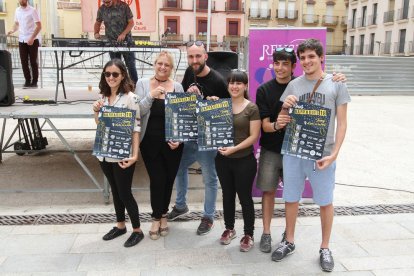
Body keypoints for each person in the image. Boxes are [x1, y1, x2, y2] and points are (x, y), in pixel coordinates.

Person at [256, 48, 347, 254]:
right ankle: (288, 240)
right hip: (293, 151)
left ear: (322, 58)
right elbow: (282, 118)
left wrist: (335, 154)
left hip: (322, 154)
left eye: (311, 57)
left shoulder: (336, 83)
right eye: (303, 57)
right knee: (290, 198)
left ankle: (325, 248)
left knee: (325, 201)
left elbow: (342, 124)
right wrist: (285, 107)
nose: (307, 61)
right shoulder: (293, 85)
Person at [167, 41, 230, 236]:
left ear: (205, 57)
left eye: (198, 56)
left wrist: (215, 103)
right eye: (191, 56)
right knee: (178, 168)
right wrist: (187, 95)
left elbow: (227, 112)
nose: (194, 60)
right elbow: (185, 103)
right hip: (190, 135)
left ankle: (208, 216)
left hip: (208, 138)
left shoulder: (219, 81)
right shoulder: (188, 72)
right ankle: (180, 205)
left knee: (209, 177)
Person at [92, 59, 144, 248]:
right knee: (115, 191)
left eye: (115, 74)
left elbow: (136, 128)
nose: (111, 77)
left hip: (123, 154)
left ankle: (137, 230)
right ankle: (120, 225)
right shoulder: (103, 98)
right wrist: (96, 112)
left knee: (124, 192)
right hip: (104, 152)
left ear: (122, 75)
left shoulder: (131, 98)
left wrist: (135, 155)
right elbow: (101, 126)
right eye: (107, 74)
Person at [136, 51, 184, 240]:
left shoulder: (178, 86)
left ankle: (164, 216)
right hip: (150, 142)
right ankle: (156, 217)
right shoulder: (142, 84)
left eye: (166, 65)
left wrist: (179, 139)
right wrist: (151, 96)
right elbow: (137, 110)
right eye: (159, 63)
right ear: (154, 65)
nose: (162, 67)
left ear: (171, 69)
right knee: (157, 180)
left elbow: (183, 116)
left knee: (168, 180)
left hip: (173, 143)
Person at [214, 70, 260, 252]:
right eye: (232, 82)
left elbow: (254, 136)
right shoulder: (221, 106)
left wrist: (234, 148)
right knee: (227, 195)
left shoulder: (251, 108)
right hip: (223, 160)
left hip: (244, 160)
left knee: (245, 197)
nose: (234, 86)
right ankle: (229, 228)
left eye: (239, 83)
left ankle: (248, 233)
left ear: (245, 86)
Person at [94, 0, 138, 84]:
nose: (106, 4)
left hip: (127, 42)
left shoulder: (124, 6)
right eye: (104, 2)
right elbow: (98, 22)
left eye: (108, 2)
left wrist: (123, 34)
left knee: (131, 66)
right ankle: (119, 87)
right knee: (116, 67)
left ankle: (135, 87)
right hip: (112, 43)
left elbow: (131, 23)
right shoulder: (101, 9)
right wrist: (96, 32)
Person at [7, 0, 41, 89]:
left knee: (33, 62)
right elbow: (17, 24)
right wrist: (12, 30)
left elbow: (39, 26)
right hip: (21, 40)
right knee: (24, 62)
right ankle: (27, 81)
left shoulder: (33, 10)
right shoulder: (17, 10)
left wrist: (32, 38)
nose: (22, 0)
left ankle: (35, 82)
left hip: (32, 40)